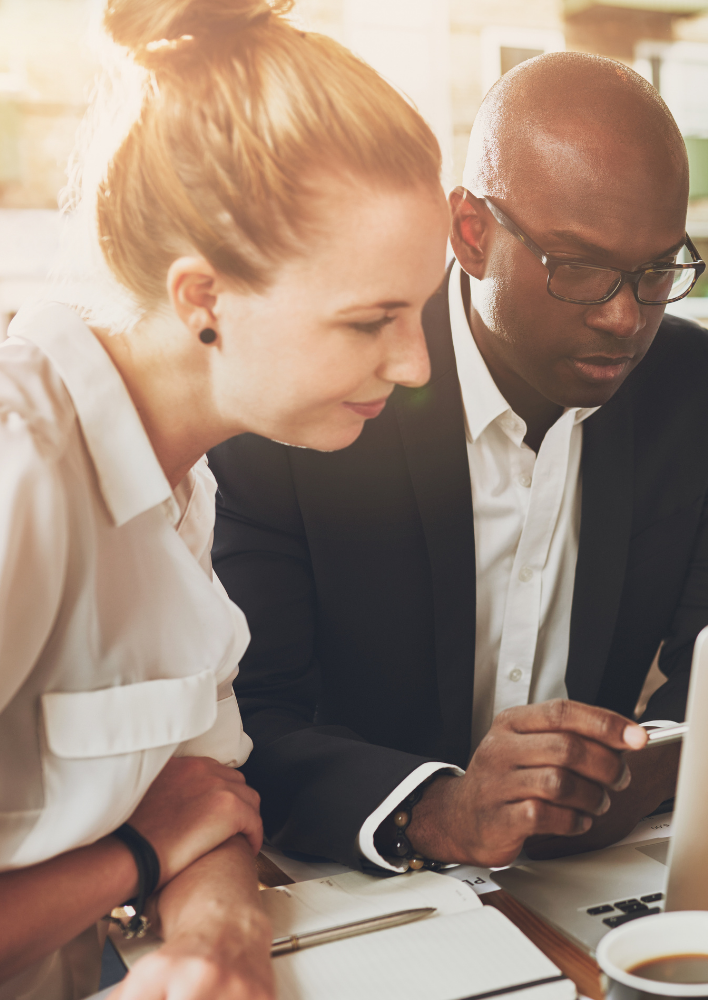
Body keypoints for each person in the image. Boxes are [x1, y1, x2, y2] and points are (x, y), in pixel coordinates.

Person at [208, 51, 708, 874]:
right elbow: (244, 714)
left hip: (586, 876)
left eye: (657, 270)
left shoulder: (683, 382)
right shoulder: (325, 392)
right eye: (580, 267)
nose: (626, 318)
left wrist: (649, 759)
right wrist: (436, 808)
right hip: (356, 880)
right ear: (472, 235)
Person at [0, 0, 448, 997]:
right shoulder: (22, 468)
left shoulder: (182, 478)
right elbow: (170, 826)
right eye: (371, 319)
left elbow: (208, 799)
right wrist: (133, 859)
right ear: (202, 298)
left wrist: (215, 945)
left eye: (418, 308)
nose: (415, 364)